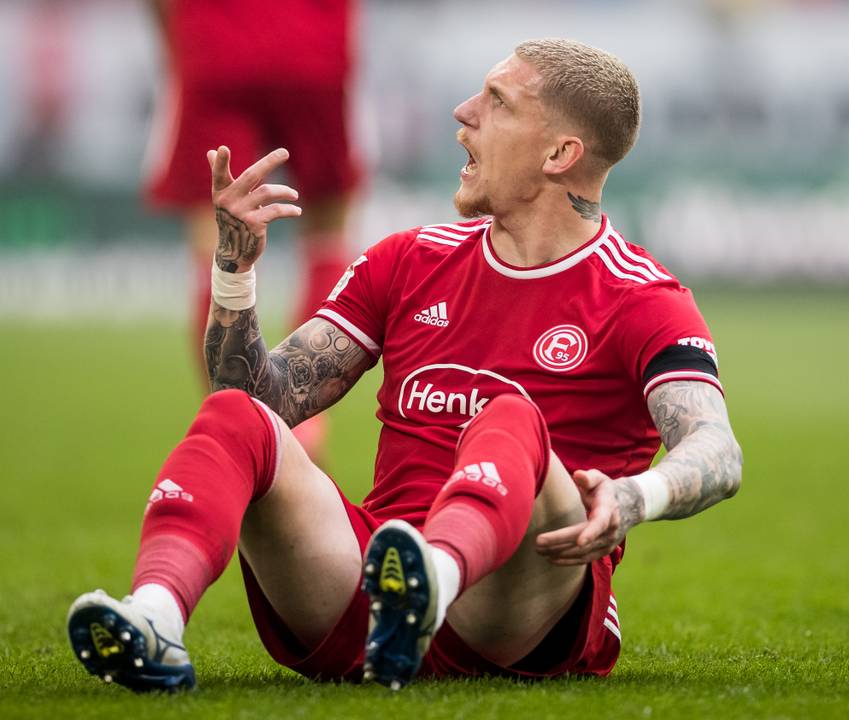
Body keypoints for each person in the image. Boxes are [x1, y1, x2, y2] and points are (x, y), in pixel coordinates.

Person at [67, 38, 742, 692]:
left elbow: (716, 449)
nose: (462, 114)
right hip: (364, 584)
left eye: (497, 102)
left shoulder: (641, 297)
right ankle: (154, 616)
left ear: (560, 153)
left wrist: (632, 498)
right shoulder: (409, 261)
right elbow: (259, 401)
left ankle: (433, 584)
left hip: (517, 610)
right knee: (230, 416)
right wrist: (235, 271)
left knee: (509, 418)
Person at [143, 0, 361, 461]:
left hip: (215, 41)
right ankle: (303, 419)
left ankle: (238, 422)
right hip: (312, 44)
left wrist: (178, 46)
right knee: (328, 228)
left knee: (215, 232)